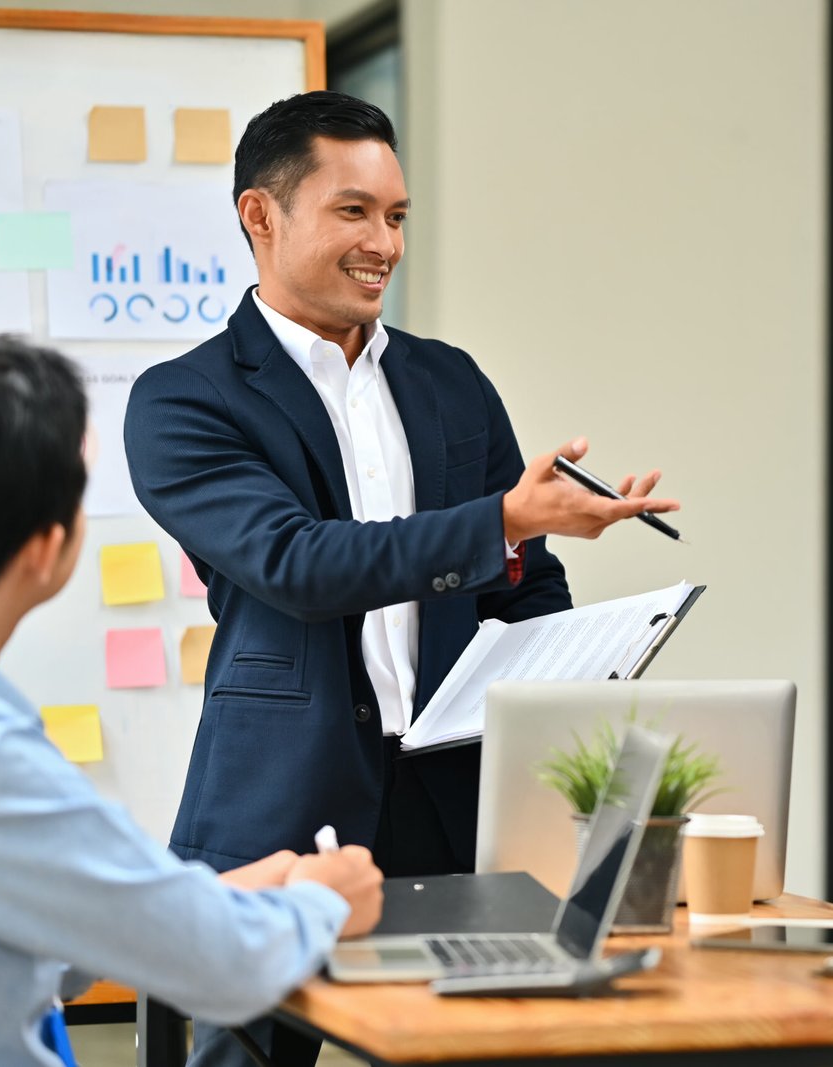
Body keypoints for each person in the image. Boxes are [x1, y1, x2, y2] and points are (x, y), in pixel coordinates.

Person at [124, 90, 676, 1064]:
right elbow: (296, 562)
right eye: (353, 211)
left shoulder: (450, 380)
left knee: (491, 1046)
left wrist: (577, 656)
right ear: (262, 214)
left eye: (397, 216)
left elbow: (520, 587)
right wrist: (504, 517)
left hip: (451, 796)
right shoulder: (184, 399)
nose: (384, 241)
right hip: (278, 800)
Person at [0, 338, 384, 1067]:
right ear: (48, 547)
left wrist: (198, 898)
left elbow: (46, 933)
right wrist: (326, 901)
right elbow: (215, 970)